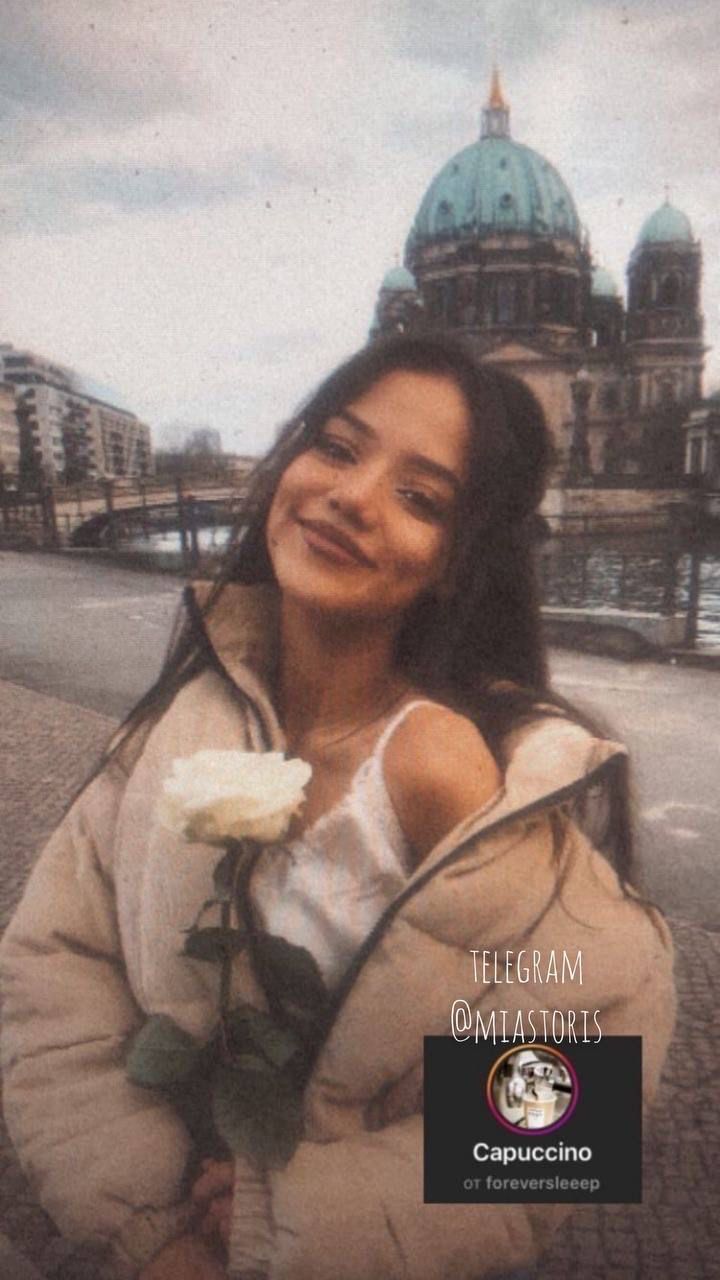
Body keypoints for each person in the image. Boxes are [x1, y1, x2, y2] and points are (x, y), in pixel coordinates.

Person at [0, 334, 675, 1280]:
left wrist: (293, 1219)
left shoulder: (438, 763)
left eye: (419, 497)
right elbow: (53, 970)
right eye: (340, 448)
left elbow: (568, 1107)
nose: (352, 496)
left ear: (455, 561)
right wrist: (156, 1234)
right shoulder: (190, 707)